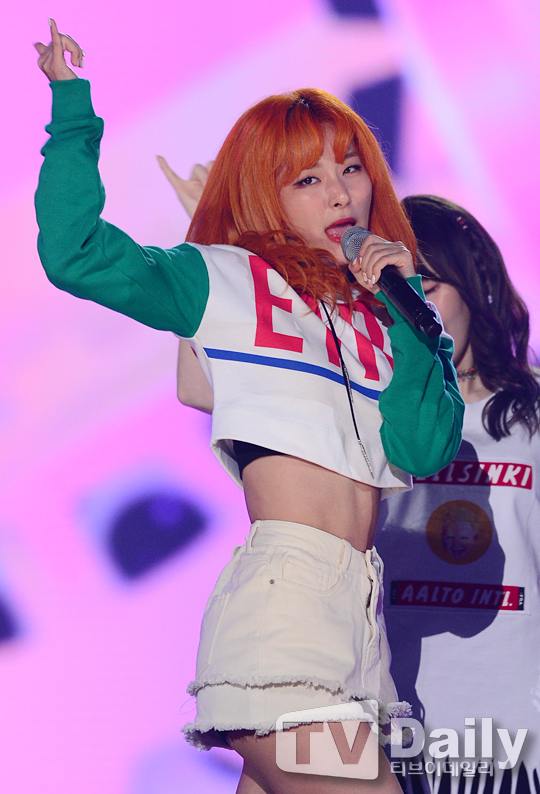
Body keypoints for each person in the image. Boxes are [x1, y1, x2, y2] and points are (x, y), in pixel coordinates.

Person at [34, 21, 464, 794]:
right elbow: (77, 255)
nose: (340, 193)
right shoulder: (224, 279)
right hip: (284, 615)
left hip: (360, 625)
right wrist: (71, 111)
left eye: (351, 169)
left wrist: (409, 311)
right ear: (268, 194)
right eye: (307, 179)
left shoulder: (381, 314)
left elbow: (423, 448)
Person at [374, 195, 540, 788]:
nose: (410, 309)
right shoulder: (370, 419)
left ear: (475, 287)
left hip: (519, 738)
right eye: (392, 293)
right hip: (404, 735)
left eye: (426, 286)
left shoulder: (531, 417)